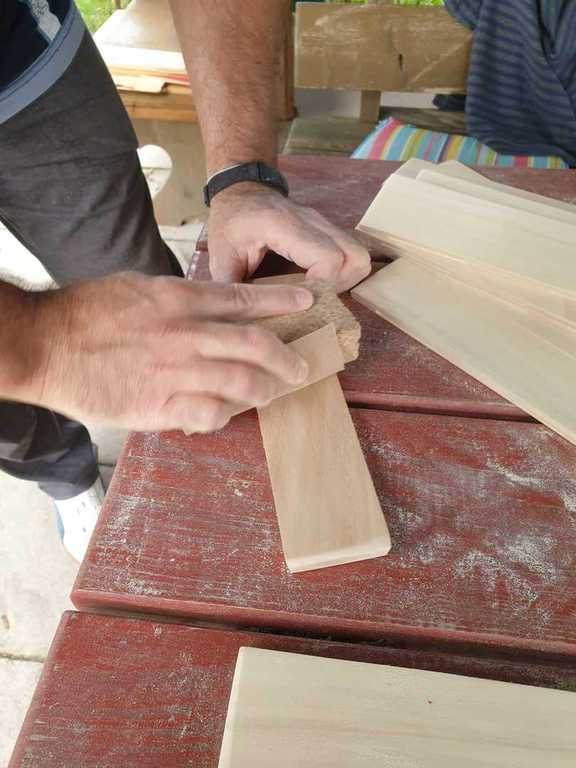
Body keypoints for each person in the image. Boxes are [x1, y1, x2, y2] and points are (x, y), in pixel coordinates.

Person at [0, 0, 370, 561]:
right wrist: (42, 345)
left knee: (151, 307)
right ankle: (66, 476)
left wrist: (242, 177)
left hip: (27, 62)